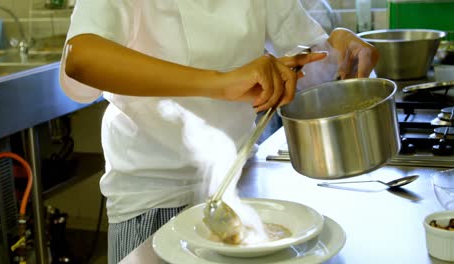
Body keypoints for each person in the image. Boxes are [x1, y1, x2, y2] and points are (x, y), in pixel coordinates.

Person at [59, 1, 378, 262]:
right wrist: (220, 83)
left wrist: (339, 47)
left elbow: (309, 65)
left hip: (239, 185)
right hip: (154, 198)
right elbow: (82, 58)